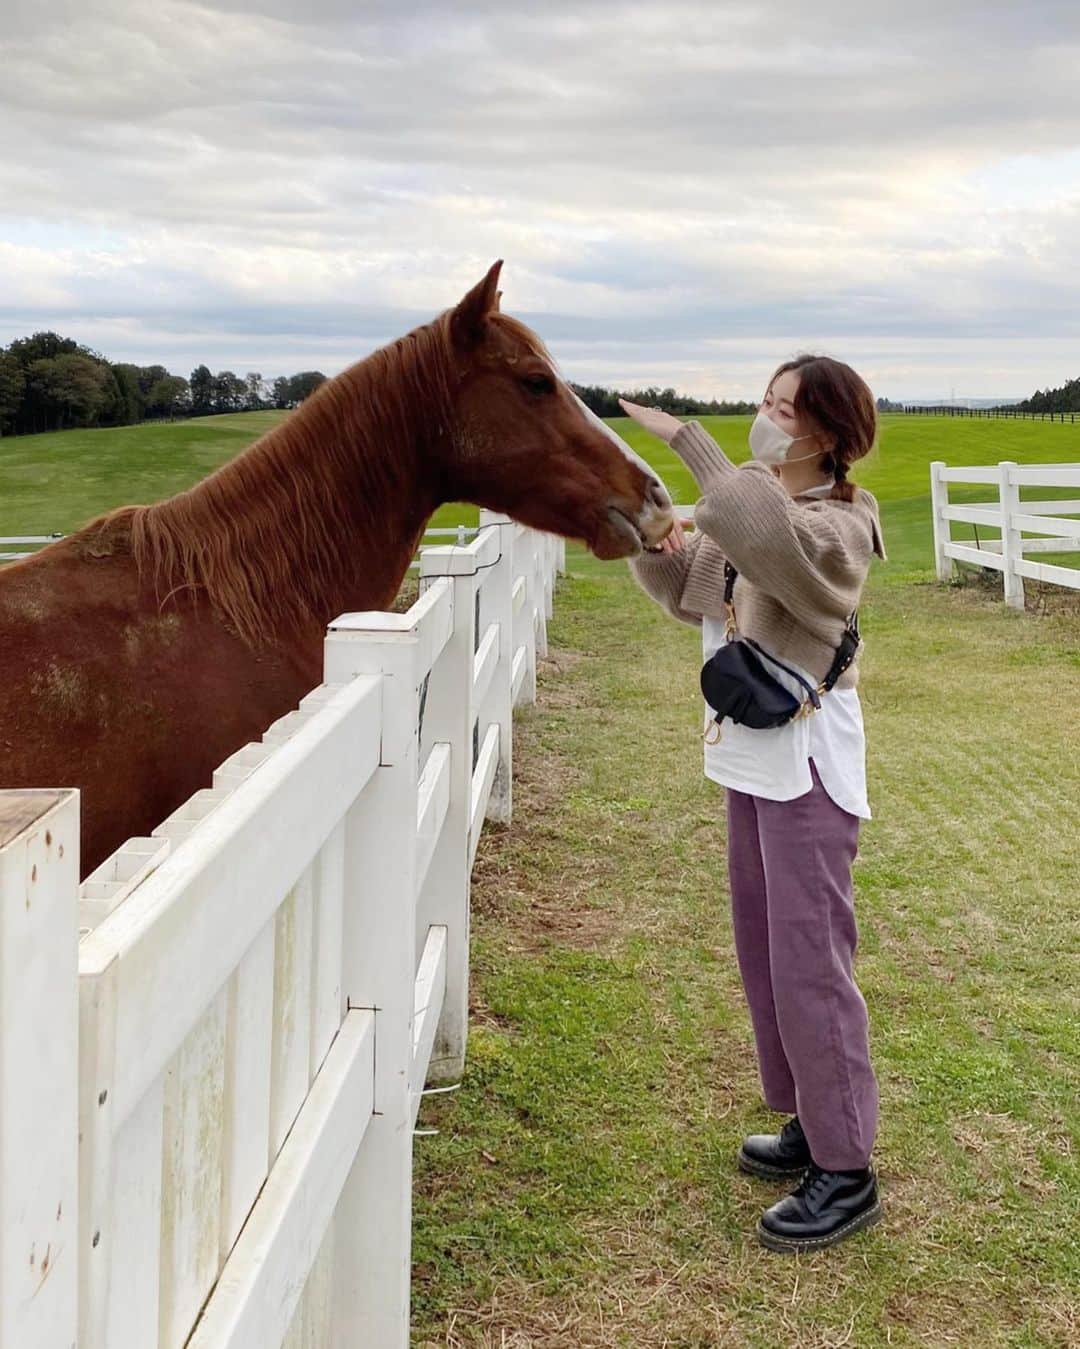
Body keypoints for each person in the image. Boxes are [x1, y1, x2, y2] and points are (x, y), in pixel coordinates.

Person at [620, 354, 887, 1253]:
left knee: (812, 963)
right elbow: (695, 582)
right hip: (753, 760)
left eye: (783, 408)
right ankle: (815, 1121)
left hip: (808, 765)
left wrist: (688, 443)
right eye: (764, 401)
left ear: (829, 436)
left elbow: (765, 542)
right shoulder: (768, 509)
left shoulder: (841, 525)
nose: (765, 418)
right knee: (767, 953)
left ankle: (846, 1171)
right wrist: (648, 539)